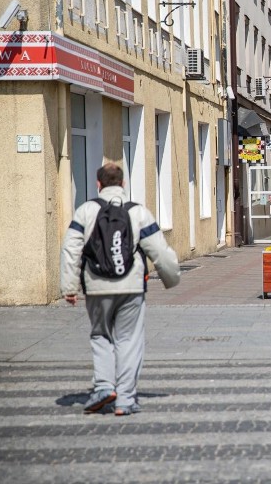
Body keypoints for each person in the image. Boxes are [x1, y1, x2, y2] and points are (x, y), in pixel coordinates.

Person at [60, 163, 180, 416]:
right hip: (131, 287)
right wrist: (172, 278)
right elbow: (158, 249)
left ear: (98, 184)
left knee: (101, 335)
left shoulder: (86, 211)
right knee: (129, 340)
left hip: (96, 286)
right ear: (123, 184)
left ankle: (104, 386)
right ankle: (125, 399)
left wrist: (69, 286)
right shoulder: (138, 213)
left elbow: (71, 248)